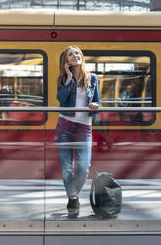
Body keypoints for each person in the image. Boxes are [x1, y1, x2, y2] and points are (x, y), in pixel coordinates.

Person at [55, 45, 99, 217]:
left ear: (81, 56)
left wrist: (96, 106)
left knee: (83, 167)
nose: (74, 56)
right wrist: (68, 78)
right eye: (70, 55)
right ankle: (73, 198)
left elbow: (97, 101)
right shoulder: (63, 78)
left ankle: (73, 194)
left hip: (84, 127)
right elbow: (61, 99)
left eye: (77, 53)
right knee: (67, 168)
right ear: (66, 61)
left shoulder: (93, 78)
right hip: (64, 125)